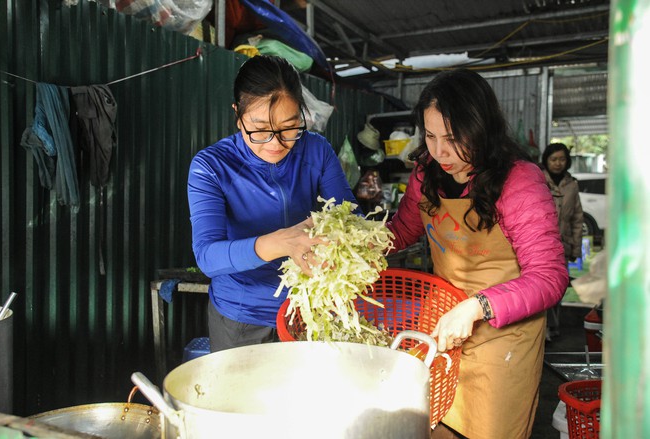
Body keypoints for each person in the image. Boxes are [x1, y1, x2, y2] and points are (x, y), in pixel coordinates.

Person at [386, 69, 569, 439]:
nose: (440, 152)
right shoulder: (427, 172)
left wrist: (476, 307)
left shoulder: (520, 180)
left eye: (452, 139)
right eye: (431, 136)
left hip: (501, 337)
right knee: (433, 423)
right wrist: (350, 246)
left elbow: (550, 277)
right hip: (442, 328)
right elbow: (403, 229)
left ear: (481, 127)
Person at [187, 55, 357, 353]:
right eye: (260, 129)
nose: (275, 142)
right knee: (238, 400)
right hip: (241, 318)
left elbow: (350, 218)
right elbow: (207, 257)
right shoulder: (211, 166)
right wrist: (280, 243)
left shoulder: (316, 150)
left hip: (310, 311)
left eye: (290, 127)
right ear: (238, 116)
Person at [541, 142, 584, 341]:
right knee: (543, 287)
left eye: (562, 159)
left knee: (559, 288)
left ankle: (553, 326)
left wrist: (576, 247)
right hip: (540, 244)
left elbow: (576, 218)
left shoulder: (572, 185)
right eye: (554, 159)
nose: (558, 163)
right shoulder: (538, 180)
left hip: (563, 245)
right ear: (546, 161)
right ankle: (546, 330)